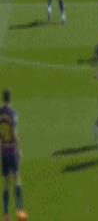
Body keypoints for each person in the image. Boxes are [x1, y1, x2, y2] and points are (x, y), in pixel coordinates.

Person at [0, 90, 28, 221]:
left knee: (6, 182)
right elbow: (15, 134)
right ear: (10, 99)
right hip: (12, 151)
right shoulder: (13, 113)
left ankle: (6, 214)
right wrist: (19, 149)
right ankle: (20, 212)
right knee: (17, 178)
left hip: (4, 151)